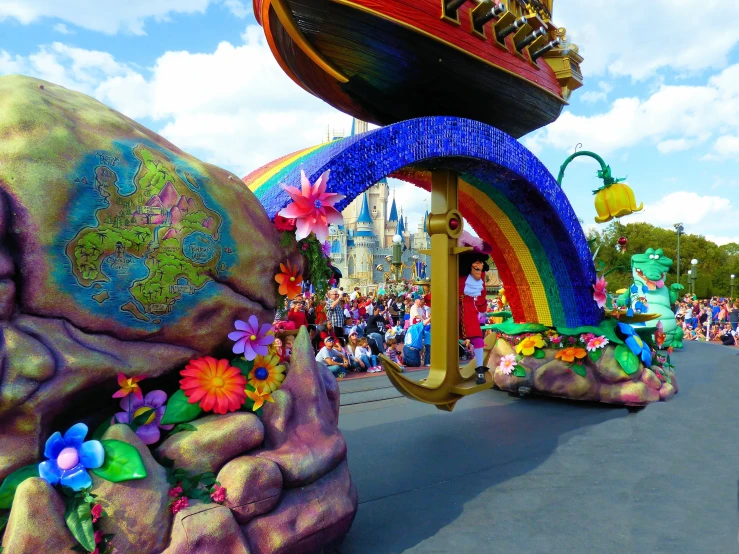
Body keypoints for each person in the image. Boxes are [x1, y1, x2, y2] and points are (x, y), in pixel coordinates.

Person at [459, 242, 491, 385]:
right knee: (476, 339)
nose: (480, 264)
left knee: (476, 338)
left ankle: (479, 370)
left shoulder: (475, 274)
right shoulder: (475, 274)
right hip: (460, 308)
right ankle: (479, 371)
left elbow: (481, 293)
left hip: (461, 308)